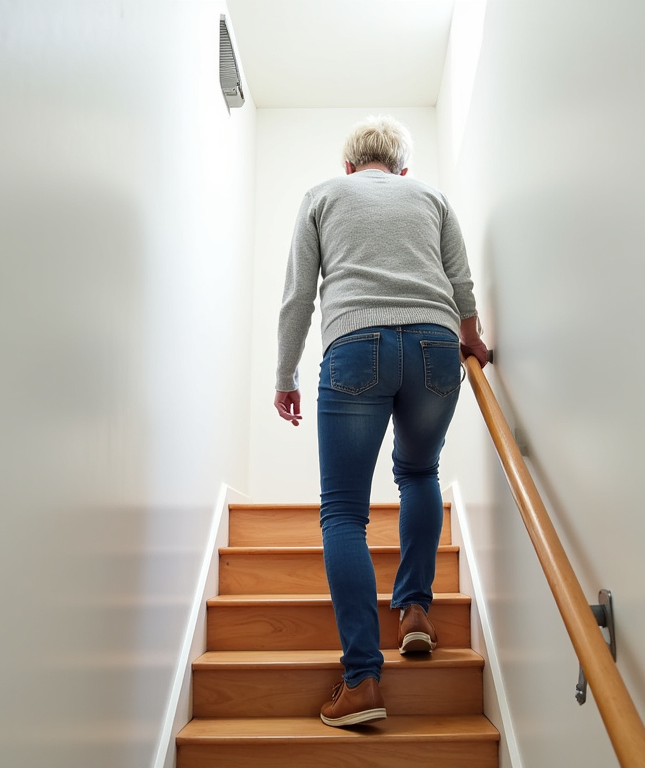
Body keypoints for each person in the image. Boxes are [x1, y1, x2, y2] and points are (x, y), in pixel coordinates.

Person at [273, 115, 488, 727]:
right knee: (419, 473)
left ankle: (363, 679)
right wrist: (472, 340)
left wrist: (285, 375)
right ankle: (415, 610)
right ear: (402, 169)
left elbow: (299, 296)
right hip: (436, 347)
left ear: (348, 167)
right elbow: (460, 282)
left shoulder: (323, 195)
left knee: (344, 512)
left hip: (355, 343)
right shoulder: (431, 197)